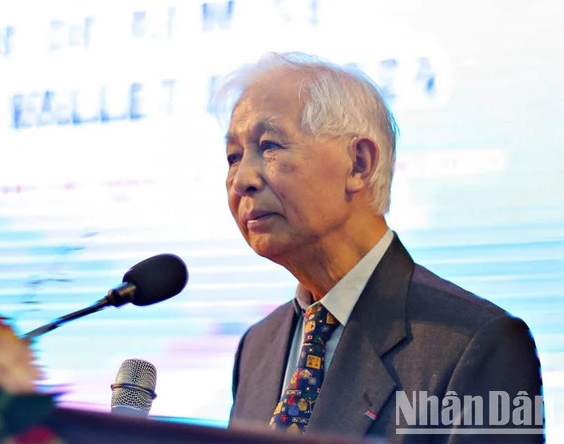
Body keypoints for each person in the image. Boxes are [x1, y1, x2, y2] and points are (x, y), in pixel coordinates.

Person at [216, 52, 543, 442]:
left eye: (269, 145)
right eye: (233, 156)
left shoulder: (479, 343)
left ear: (359, 164)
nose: (241, 179)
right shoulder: (257, 348)